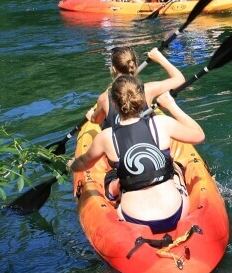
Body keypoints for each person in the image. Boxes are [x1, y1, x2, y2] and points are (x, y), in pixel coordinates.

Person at [69, 75, 205, 234]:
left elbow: (84, 163)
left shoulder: (105, 137)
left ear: (114, 104)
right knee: (175, 167)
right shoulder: (161, 123)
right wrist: (171, 106)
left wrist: (71, 164)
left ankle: (112, 194)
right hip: (175, 213)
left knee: (113, 179)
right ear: (142, 98)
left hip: (134, 219)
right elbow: (199, 136)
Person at [87, 46, 186, 130]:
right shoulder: (148, 90)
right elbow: (180, 79)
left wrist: (91, 115)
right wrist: (160, 58)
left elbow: (96, 120)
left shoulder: (104, 98)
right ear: (136, 65)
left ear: (114, 69)